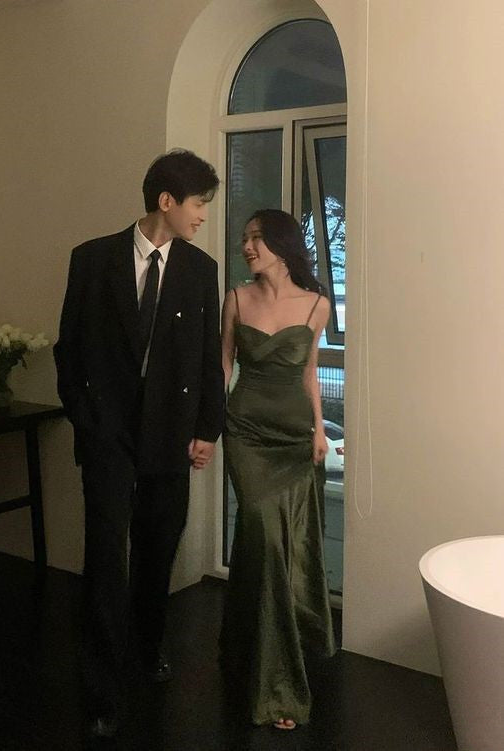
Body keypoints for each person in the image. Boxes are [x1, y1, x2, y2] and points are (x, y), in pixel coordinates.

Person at [54, 149, 225, 738]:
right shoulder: (92, 258)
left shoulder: (200, 269)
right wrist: (85, 419)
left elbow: (207, 358)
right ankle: (100, 689)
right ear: (166, 201)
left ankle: (147, 647)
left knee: (157, 551)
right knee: (105, 559)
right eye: (198, 203)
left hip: (171, 434)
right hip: (107, 435)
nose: (203, 214)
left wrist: (207, 429)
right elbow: (69, 348)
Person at [219, 209, 336, 730]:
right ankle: (277, 685)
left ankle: (243, 648)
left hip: (293, 437)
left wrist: (319, 430)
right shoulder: (236, 298)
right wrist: (206, 425)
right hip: (245, 433)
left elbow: (310, 373)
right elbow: (223, 365)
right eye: (245, 238)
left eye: (257, 238)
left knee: (273, 546)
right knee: (266, 536)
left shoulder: (317, 305)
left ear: (283, 245)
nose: (247, 246)